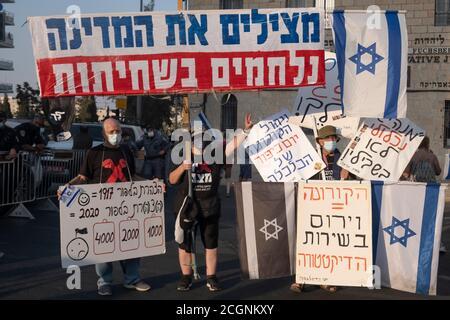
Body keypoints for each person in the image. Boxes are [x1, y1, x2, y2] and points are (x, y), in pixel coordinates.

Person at [58, 118, 151, 296]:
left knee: (131, 243)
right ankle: (104, 281)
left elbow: (133, 177)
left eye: (117, 131)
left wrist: (152, 185)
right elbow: (82, 177)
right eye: (111, 131)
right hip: (101, 209)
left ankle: (132, 279)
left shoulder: (126, 151)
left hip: (126, 207)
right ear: (103, 134)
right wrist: (66, 190)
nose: (115, 135)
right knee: (103, 245)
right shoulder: (94, 153)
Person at [168, 114, 253, 292]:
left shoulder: (216, 155)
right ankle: (186, 276)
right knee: (185, 244)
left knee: (211, 243)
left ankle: (211, 277)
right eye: (196, 140)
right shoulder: (182, 156)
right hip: (187, 207)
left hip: (210, 206)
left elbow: (233, 145)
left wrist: (245, 130)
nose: (200, 144)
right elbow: (172, 179)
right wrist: (183, 167)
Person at [290, 125, 352, 294]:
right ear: (320, 141)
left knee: (329, 245)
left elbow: (355, 186)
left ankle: (327, 279)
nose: (331, 141)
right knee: (308, 244)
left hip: (335, 209)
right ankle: (301, 279)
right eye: (328, 139)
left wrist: (348, 175)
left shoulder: (344, 160)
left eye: (333, 138)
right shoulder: (311, 159)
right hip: (312, 207)